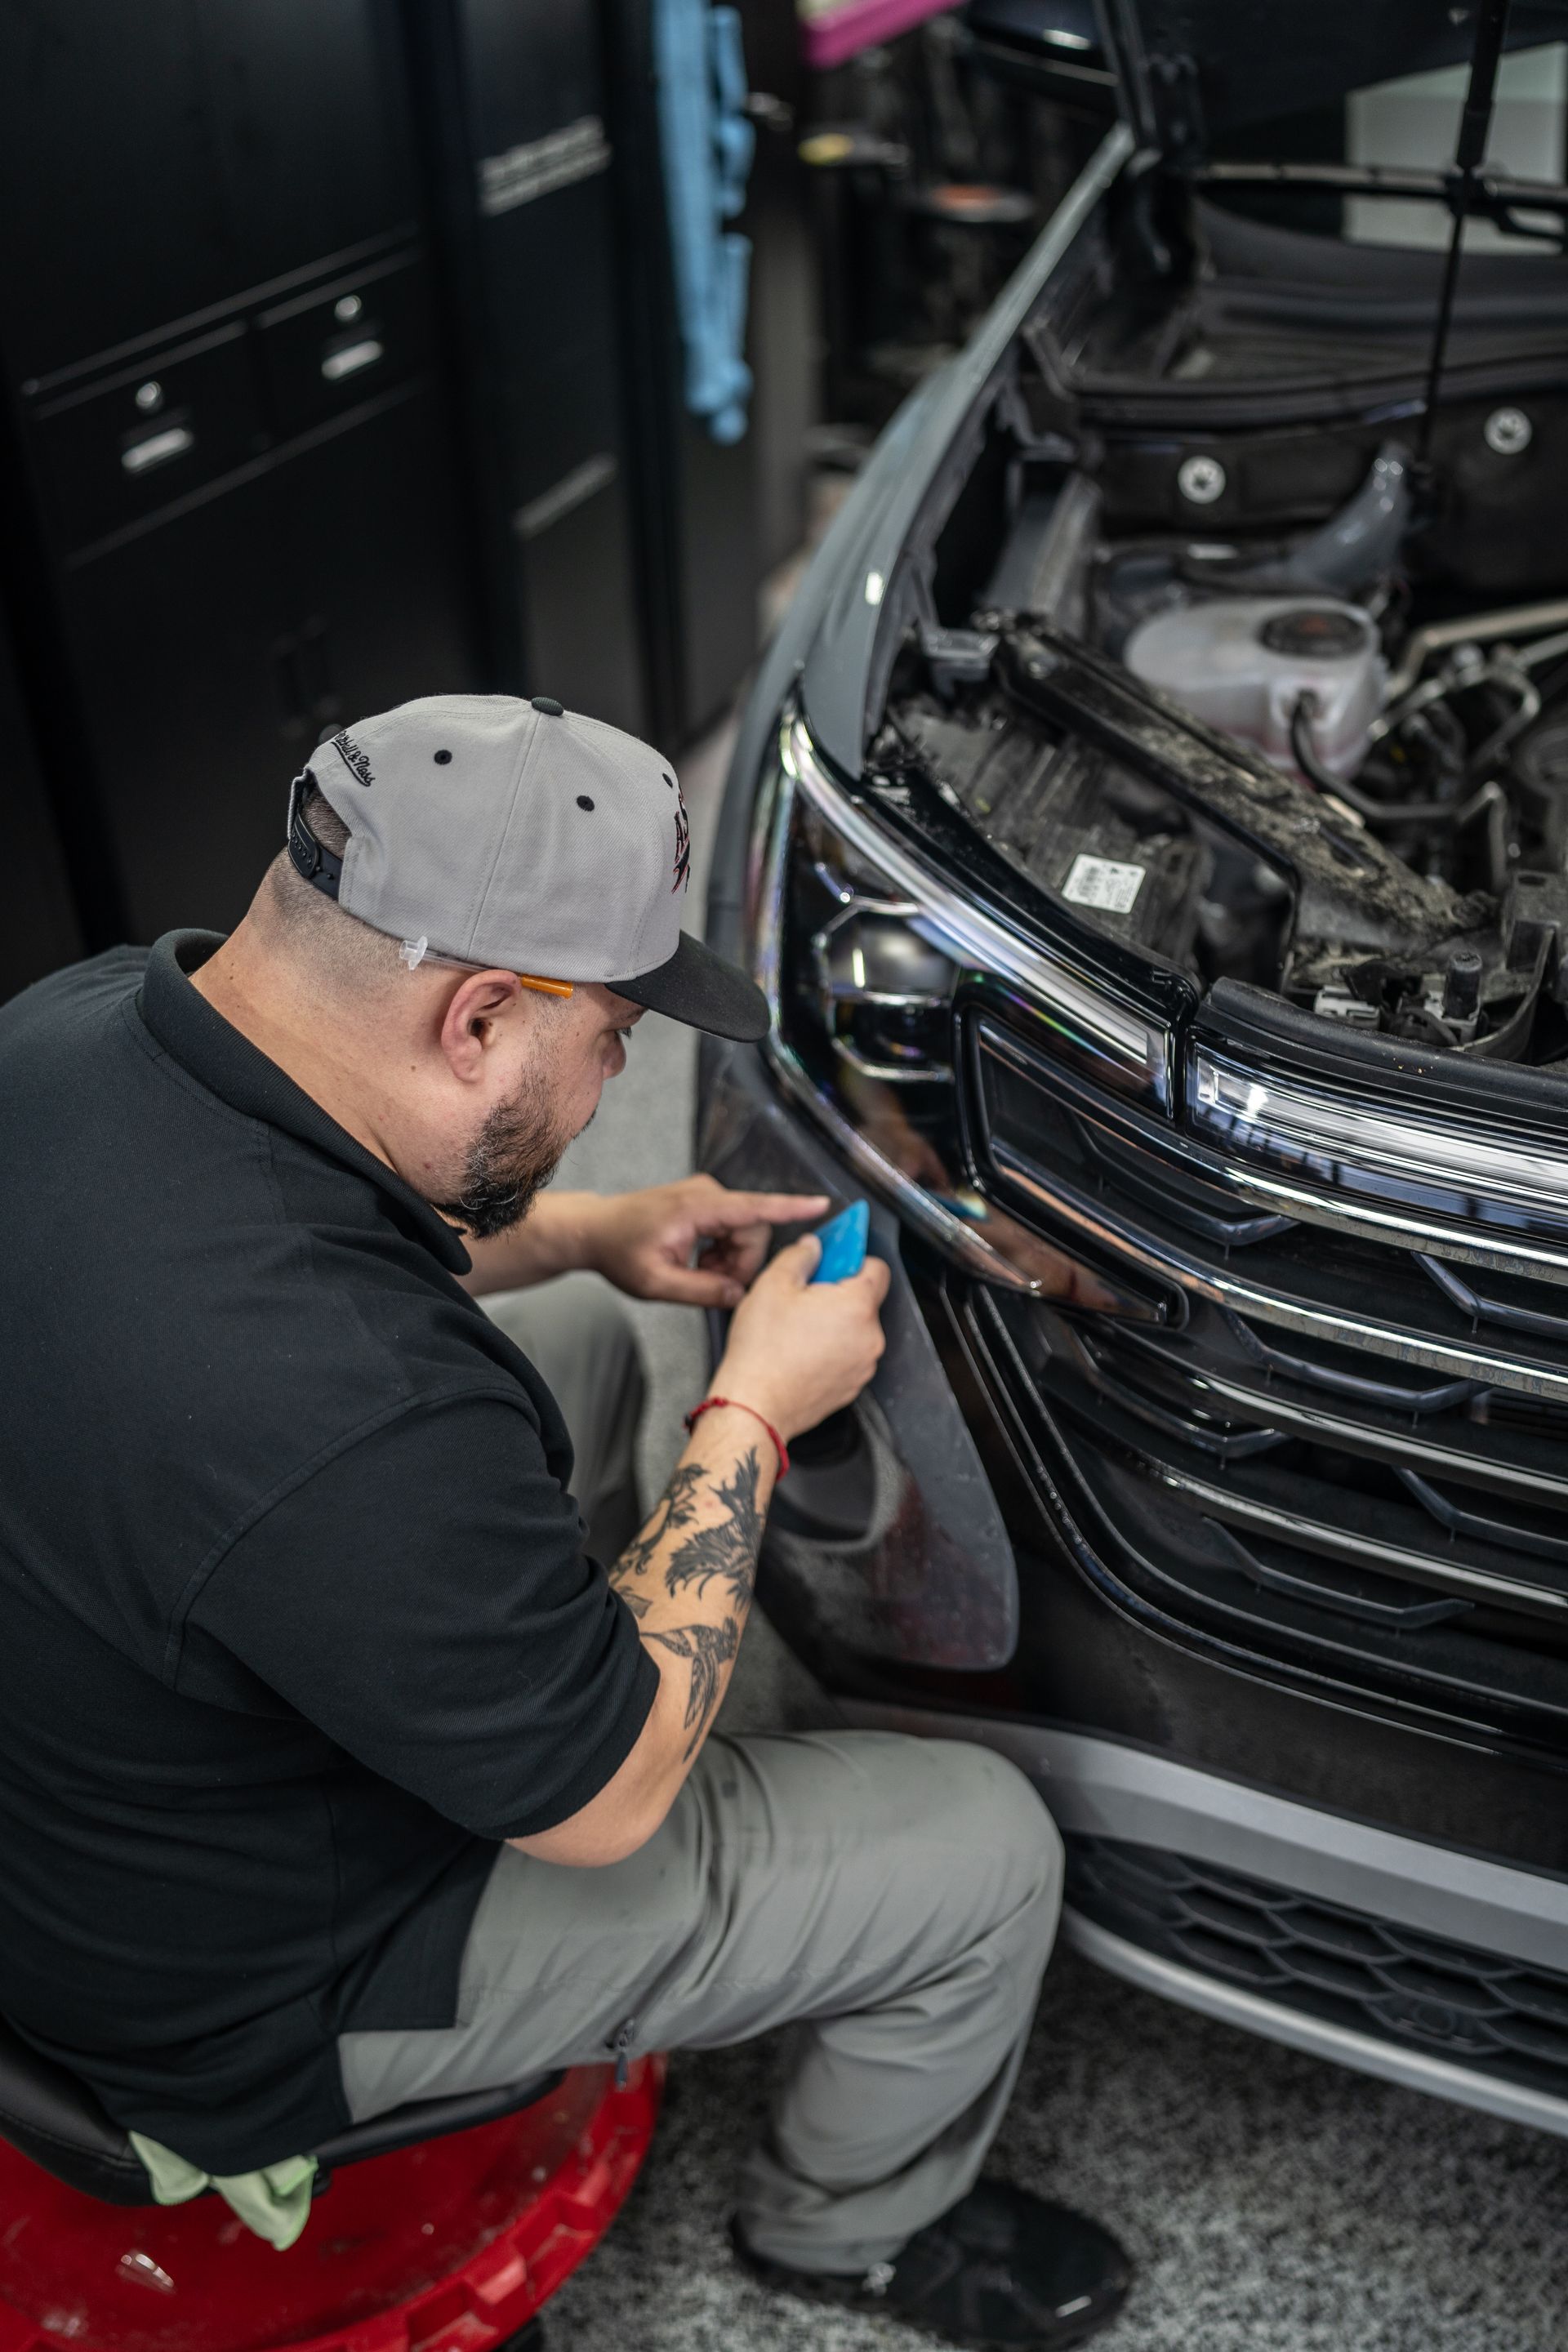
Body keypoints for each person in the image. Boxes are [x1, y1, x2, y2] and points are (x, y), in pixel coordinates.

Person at [0, 693, 1129, 2349]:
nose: (616, 1078)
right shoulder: (340, 1405)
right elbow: (605, 1806)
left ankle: (510, 1651)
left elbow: (337, 1257)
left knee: (585, 1348)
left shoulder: (87, 1025)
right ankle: (849, 2234)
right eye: (614, 1036)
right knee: (976, 1855)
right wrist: (753, 1403)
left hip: (87, 1778)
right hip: (241, 1982)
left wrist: (596, 1233)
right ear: (473, 1020)